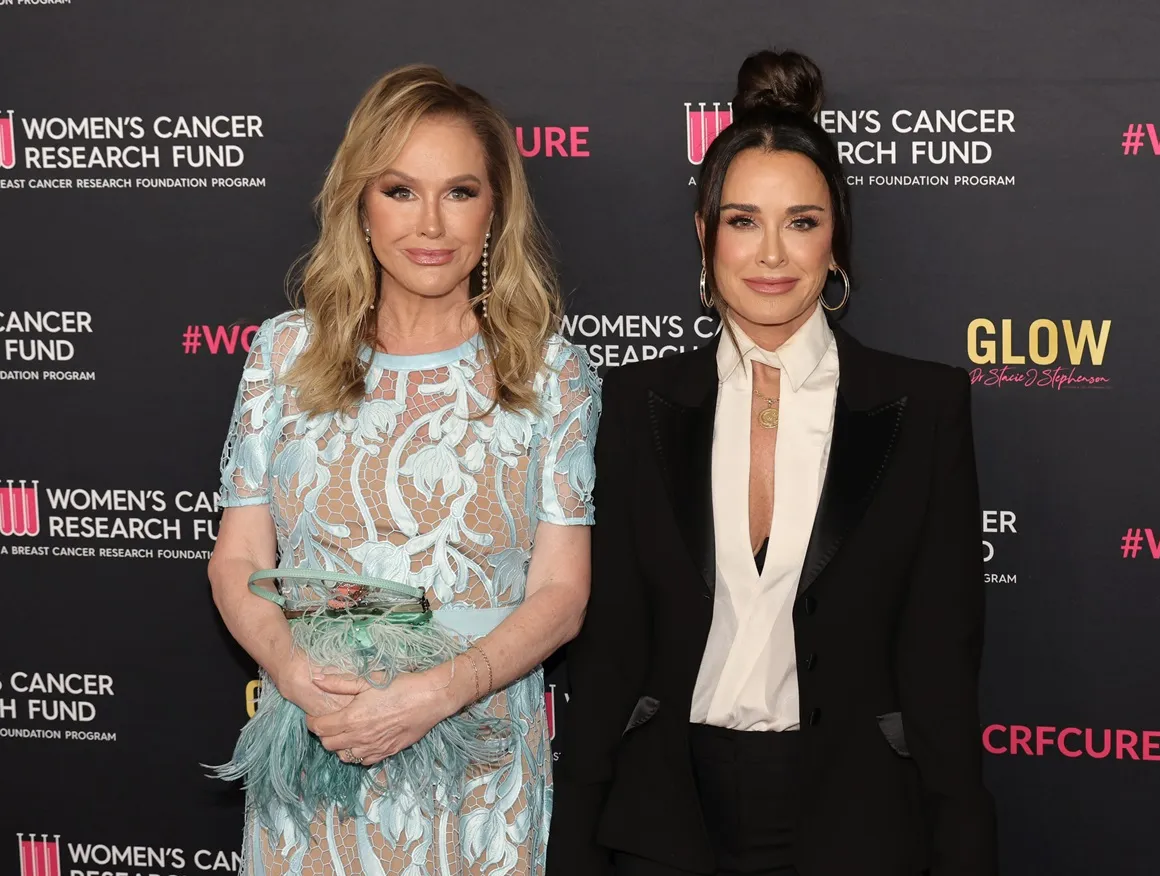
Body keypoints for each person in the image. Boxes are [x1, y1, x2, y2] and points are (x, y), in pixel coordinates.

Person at [549, 49, 997, 876]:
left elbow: (942, 660)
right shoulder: (632, 402)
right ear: (704, 235)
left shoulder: (924, 406)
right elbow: (608, 650)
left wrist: (963, 849)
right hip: (664, 817)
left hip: (859, 819)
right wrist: (573, 847)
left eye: (802, 221)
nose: (771, 254)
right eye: (743, 220)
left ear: (836, 243)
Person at [209, 64, 599, 875]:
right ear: (360, 201)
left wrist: (437, 693)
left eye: (459, 192)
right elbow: (239, 560)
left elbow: (560, 596)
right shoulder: (285, 354)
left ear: (496, 209)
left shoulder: (549, 372)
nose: (431, 224)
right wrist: (291, 673)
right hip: (317, 747)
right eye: (399, 190)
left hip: (477, 770)